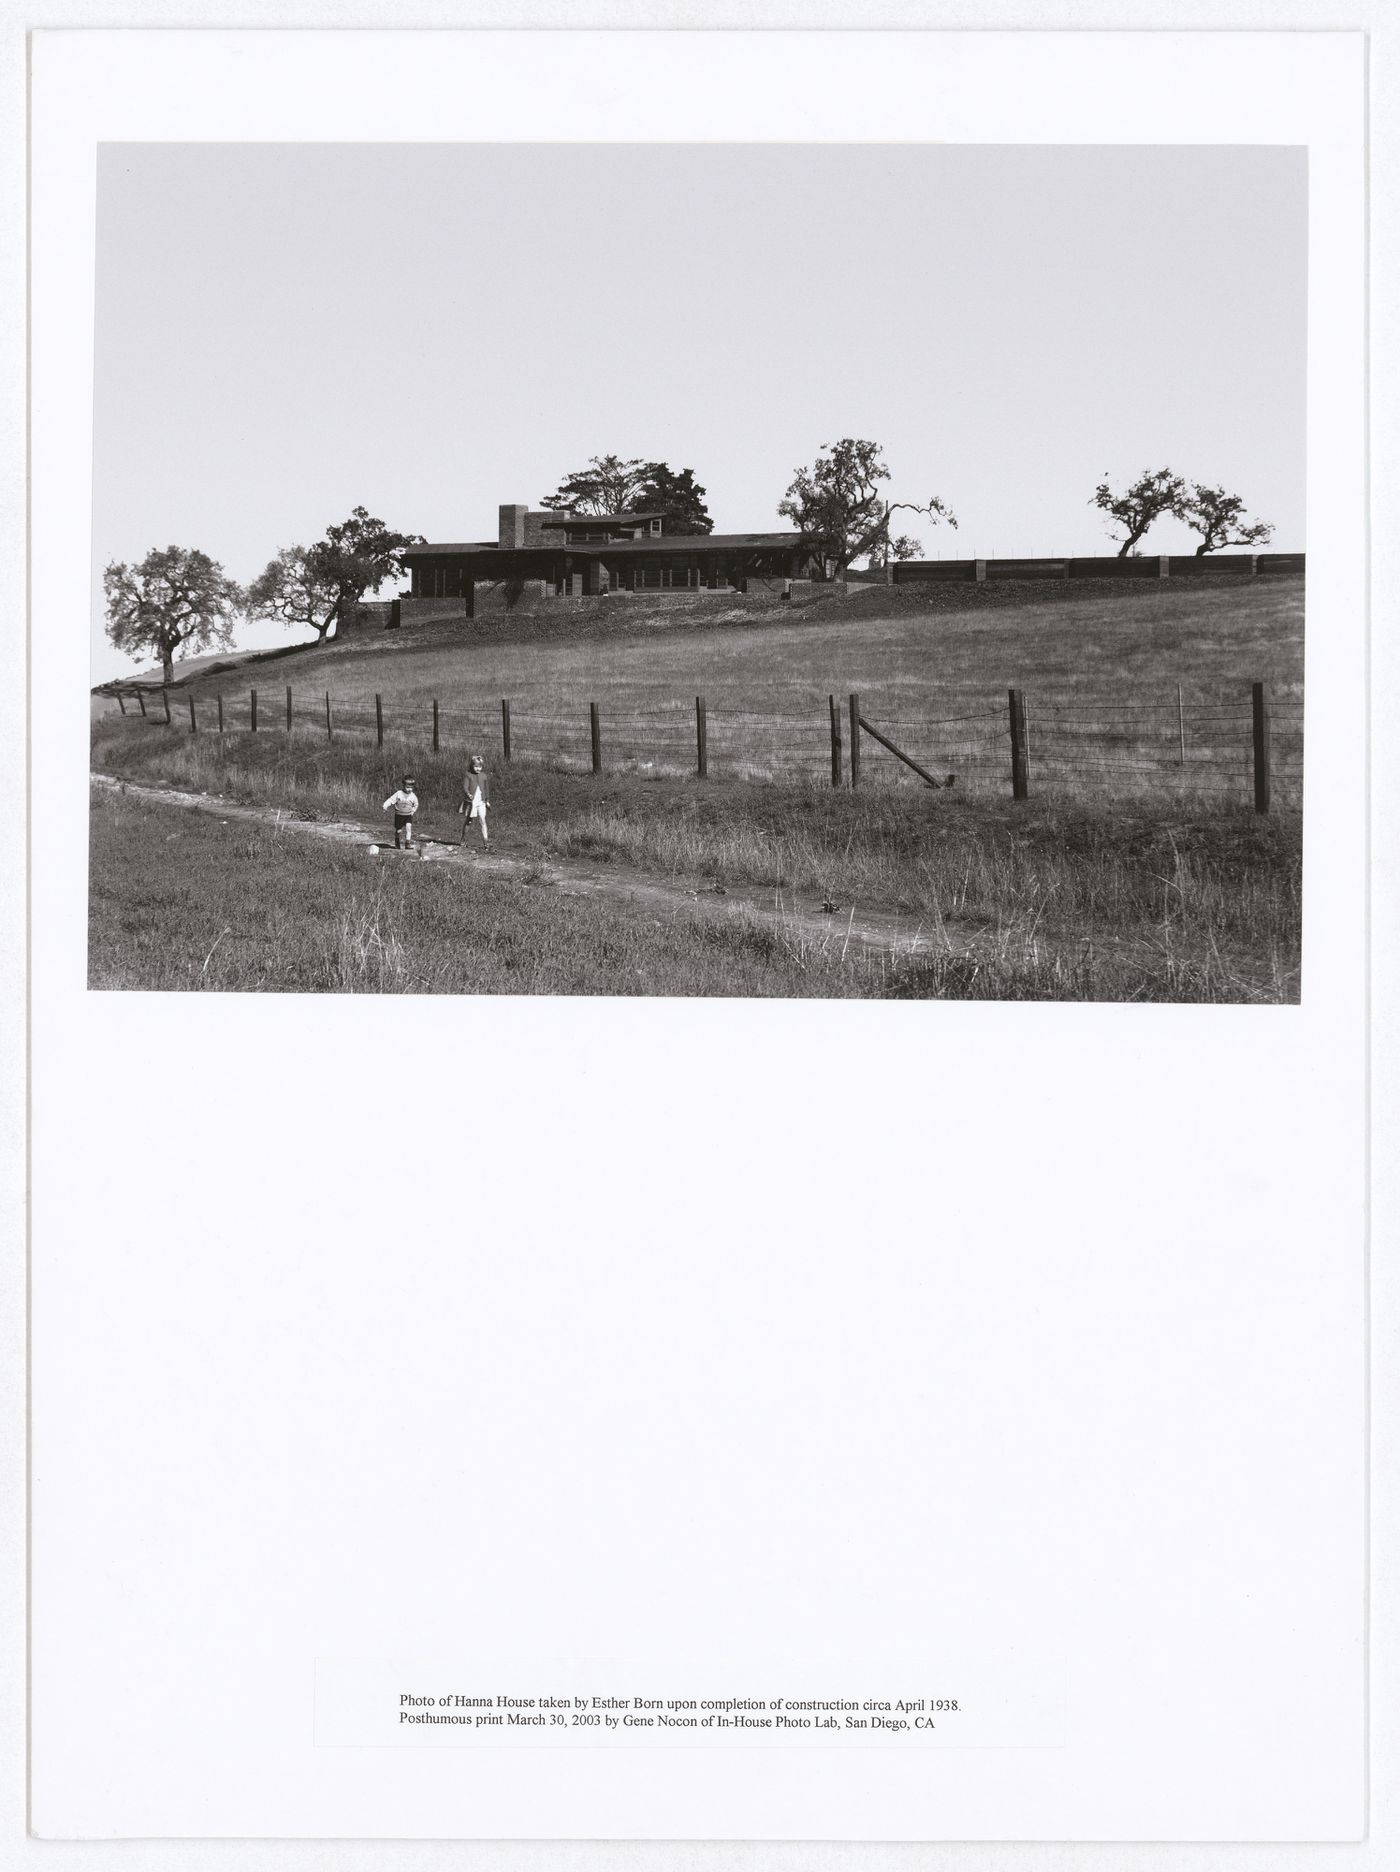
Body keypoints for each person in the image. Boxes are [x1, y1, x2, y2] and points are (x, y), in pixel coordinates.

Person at [381, 774, 420, 851]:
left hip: (408, 815)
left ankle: (407, 844)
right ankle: (397, 841)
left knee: (409, 827)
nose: (409, 789)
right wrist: (385, 806)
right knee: (399, 831)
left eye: (411, 787)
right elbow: (391, 800)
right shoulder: (399, 793)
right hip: (399, 815)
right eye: (407, 787)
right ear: (403, 785)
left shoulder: (413, 796)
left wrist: (413, 811)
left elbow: (416, 804)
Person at [458, 755, 490, 846]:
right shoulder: (468, 775)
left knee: (483, 820)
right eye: (476, 766)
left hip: (481, 801)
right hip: (472, 802)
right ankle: (463, 839)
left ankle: (486, 841)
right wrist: (468, 794)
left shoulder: (484, 776)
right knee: (469, 821)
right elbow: (465, 787)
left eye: (480, 767)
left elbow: (486, 788)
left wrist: (487, 800)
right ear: (471, 766)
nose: (478, 769)